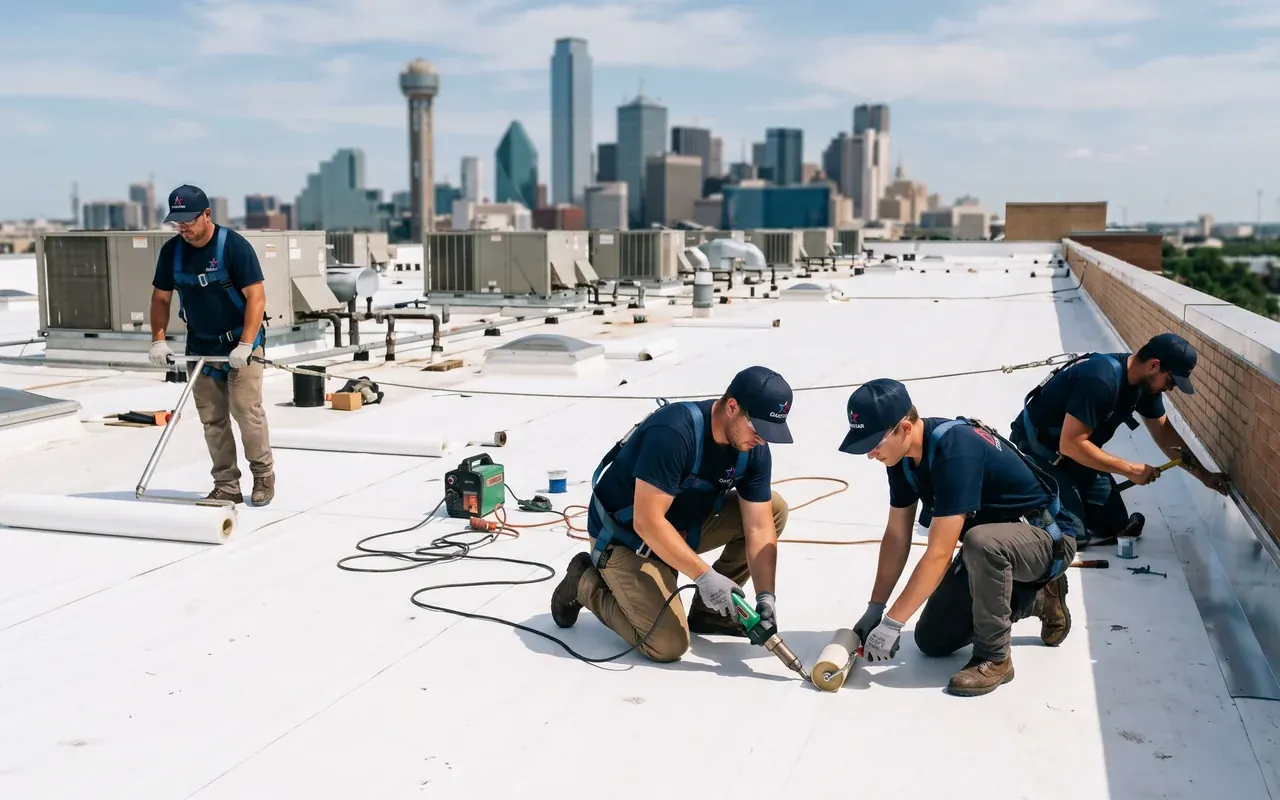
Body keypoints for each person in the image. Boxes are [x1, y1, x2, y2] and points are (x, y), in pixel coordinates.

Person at [840, 378, 1081, 697]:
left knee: (980, 542)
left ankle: (995, 658)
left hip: (1047, 540)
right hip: (995, 549)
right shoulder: (901, 460)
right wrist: (877, 609)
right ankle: (1039, 597)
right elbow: (897, 536)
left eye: (875, 442)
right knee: (931, 641)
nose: (870, 454)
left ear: (905, 428)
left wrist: (893, 624)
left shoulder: (955, 450)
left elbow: (939, 553)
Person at [550, 366, 794, 663]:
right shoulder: (674, 432)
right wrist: (705, 576)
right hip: (628, 539)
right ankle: (585, 582)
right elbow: (647, 521)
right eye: (759, 429)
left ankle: (710, 613)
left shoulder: (752, 447)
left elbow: (758, 526)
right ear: (732, 408)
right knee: (667, 644)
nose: (762, 441)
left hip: (681, 528)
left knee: (774, 509)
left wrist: (765, 597)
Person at [1009, 332, 1228, 548]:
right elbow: (1071, 444)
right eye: (1171, 380)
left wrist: (1203, 475)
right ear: (1154, 365)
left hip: (1076, 453)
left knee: (1115, 527)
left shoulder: (1144, 387)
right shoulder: (1100, 379)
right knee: (1071, 536)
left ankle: (1070, 496)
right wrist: (1130, 469)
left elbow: (1165, 434)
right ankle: (1026, 494)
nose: (1170, 388)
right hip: (1039, 450)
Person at [147, 185, 275, 507]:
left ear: (206, 214)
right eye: (178, 222)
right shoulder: (172, 252)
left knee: (247, 413)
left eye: (189, 220)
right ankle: (226, 484)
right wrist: (158, 340)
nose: (183, 228)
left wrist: (246, 344)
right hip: (201, 347)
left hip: (241, 345)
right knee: (213, 421)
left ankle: (263, 474)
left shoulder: (233, 247)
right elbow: (160, 298)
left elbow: (256, 297)